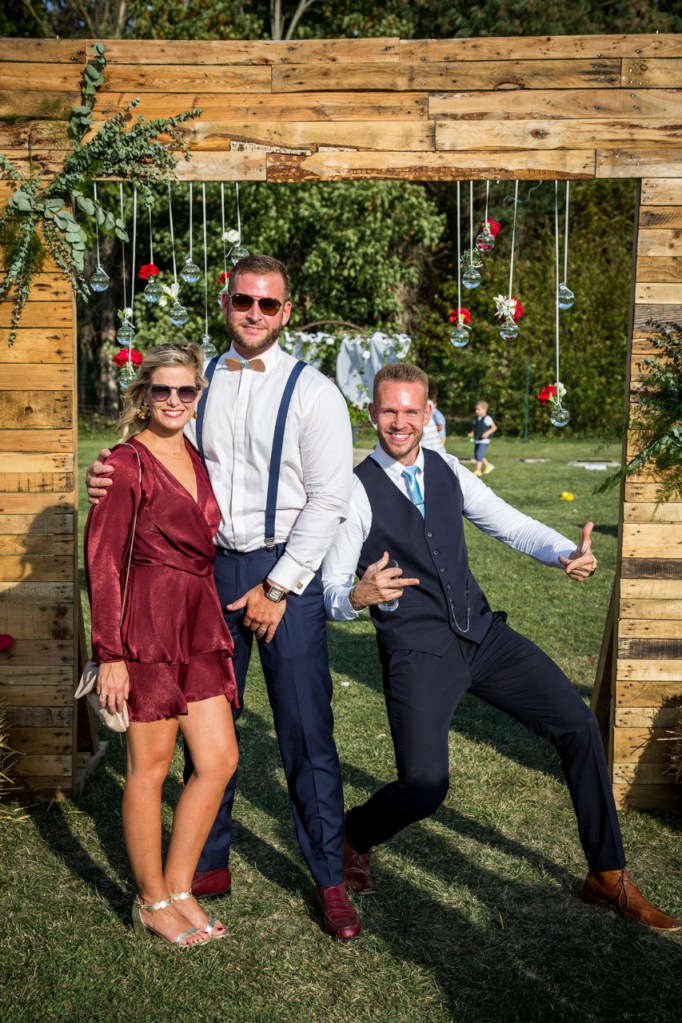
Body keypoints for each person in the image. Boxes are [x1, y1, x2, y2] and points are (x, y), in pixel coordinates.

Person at [321, 362, 680, 933]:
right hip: (419, 652)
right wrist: (358, 596)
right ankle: (353, 834)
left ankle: (607, 874)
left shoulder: (447, 468)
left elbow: (508, 523)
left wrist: (562, 552)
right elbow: (331, 591)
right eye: (389, 410)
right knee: (424, 787)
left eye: (411, 410)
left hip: (483, 635)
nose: (400, 422)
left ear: (427, 412)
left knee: (578, 726)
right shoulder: (355, 490)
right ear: (371, 413)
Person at [86, 255, 362, 941]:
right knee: (207, 733)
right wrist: (105, 473)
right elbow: (148, 457)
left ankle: (329, 876)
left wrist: (279, 584)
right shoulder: (197, 382)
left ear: (286, 311)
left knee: (306, 731)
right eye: (244, 300)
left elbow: (330, 498)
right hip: (203, 577)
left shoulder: (314, 392)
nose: (254, 313)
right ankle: (202, 869)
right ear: (226, 303)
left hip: (284, 571)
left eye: (268, 304)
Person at [84, 343, 239, 947]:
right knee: (149, 767)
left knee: (218, 759)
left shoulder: (196, 455)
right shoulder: (126, 463)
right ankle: (151, 901)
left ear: (198, 397)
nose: (174, 400)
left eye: (186, 390)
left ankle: (179, 887)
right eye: (162, 390)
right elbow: (103, 562)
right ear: (144, 395)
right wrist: (110, 655)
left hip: (197, 623)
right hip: (146, 626)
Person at [469, 399, 496, 476]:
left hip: (484, 441)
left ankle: (478, 471)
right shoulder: (476, 419)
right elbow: (475, 428)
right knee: (477, 455)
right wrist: (472, 432)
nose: (476, 411)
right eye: (476, 409)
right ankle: (488, 466)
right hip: (477, 440)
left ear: (485, 409)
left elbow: (494, 427)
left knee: (479, 454)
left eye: (478, 409)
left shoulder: (487, 418)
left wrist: (487, 433)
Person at [428, 381, 447, 447]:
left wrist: (429, 428)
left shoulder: (436, 414)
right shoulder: (433, 412)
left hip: (440, 438)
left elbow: (440, 427)